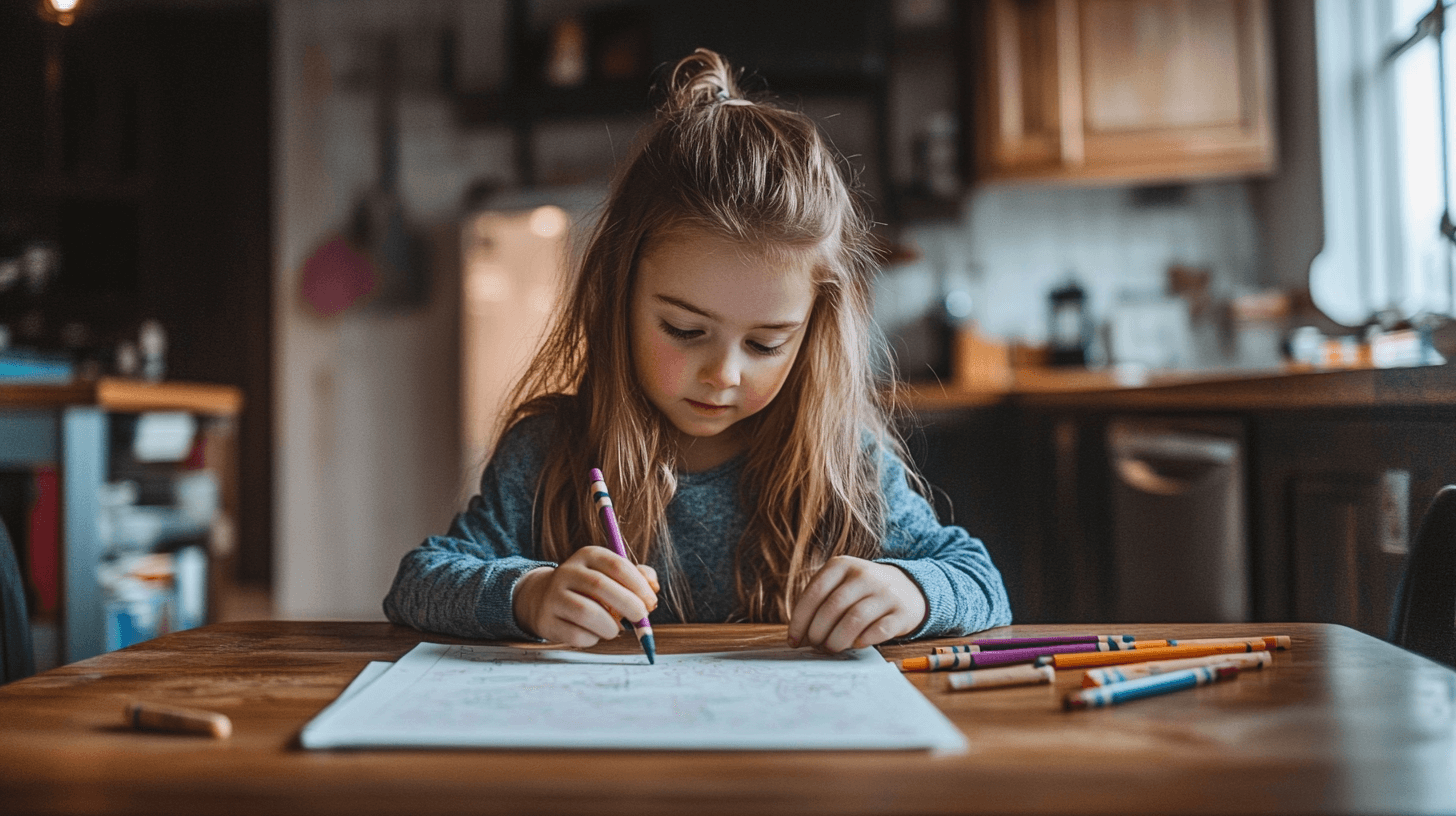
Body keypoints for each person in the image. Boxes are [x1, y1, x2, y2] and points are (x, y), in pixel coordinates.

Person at [384, 49, 1011, 653]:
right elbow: (418, 584)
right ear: (617, 294)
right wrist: (529, 594)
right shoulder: (549, 453)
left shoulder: (842, 461)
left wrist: (913, 590)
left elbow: (983, 583)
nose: (724, 373)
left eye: (767, 342)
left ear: (813, 331)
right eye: (685, 331)